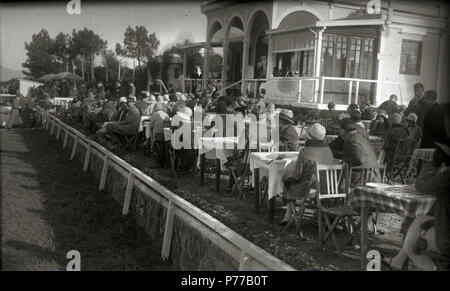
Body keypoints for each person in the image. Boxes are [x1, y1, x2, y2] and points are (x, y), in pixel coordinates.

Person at [384, 142, 450, 271]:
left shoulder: (447, 177)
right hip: (441, 221)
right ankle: (398, 261)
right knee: (418, 221)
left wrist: (432, 165)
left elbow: (421, 186)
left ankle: (430, 268)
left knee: (414, 239)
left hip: (445, 233)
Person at [280, 123, 334, 231]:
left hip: (305, 190)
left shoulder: (304, 151)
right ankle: (291, 214)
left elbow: (297, 174)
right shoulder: (328, 151)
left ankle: (288, 215)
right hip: (325, 189)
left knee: (287, 180)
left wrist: (286, 177)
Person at [148, 102, 170, 167]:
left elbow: (151, 126)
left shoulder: (155, 114)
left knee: (151, 132)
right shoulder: (166, 115)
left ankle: (152, 149)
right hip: (166, 135)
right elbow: (167, 127)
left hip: (158, 135)